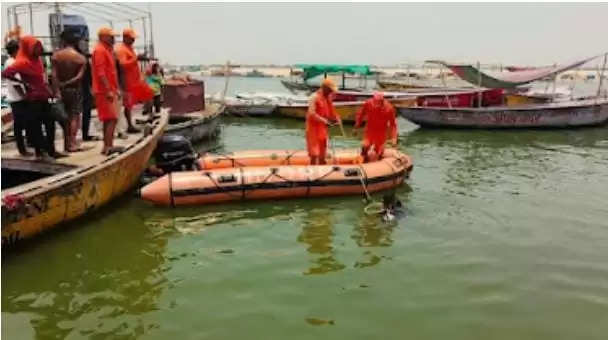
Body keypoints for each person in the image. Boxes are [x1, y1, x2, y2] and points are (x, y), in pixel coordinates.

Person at [2, 35, 62, 161]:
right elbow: (6, 74)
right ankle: (40, 153)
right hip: (33, 99)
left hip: (45, 96)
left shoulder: (38, 60)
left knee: (50, 124)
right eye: (36, 47)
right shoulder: (22, 62)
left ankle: (51, 150)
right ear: (29, 47)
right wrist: (24, 83)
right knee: (36, 127)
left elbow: (43, 79)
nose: (39, 49)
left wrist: (51, 92)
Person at [51, 29, 86, 152]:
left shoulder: (56, 56)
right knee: (74, 117)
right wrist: (68, 83)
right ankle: (71, 143)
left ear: (63, 40)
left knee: (64, 119)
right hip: (74, 90)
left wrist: (57, 90)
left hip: (60, 90)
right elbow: (79, 77)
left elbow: (54, 75)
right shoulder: (80, 58)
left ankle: (66, 144)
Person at [115, 28, 153, 133]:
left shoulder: (129, 48)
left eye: (134, 38)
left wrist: (138, 58)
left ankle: (150, 117)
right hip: (127, 81)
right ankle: (130, 126)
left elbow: (132, 61)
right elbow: (122, 64)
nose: (133, 40)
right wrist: (136, 58)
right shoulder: (121, 49)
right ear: (125, 38)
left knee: (149, 94)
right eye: (131, 38)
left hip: (136, 80)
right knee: (128, 104)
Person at [91, 27, 122, 155]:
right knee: (112, 118)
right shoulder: (99, 50)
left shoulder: (107, 50)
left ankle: (107, 146)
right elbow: (100, 73)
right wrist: (108, 90)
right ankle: (108, 146)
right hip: (104, 91)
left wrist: (116, 89)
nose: (113, 39)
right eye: (111, 36)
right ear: (103, 37)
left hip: (110, 89)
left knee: (109, 119)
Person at [4, 39, 32, 156]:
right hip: (18, 98)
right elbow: (16, 83)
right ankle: (23, 149)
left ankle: (24, 147)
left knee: (20, 124)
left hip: (16, 98)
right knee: (20, 125)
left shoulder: (11, 61)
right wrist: (25, 96)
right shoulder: (11, 63)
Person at [353, 91, 397, 162]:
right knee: (365, 147)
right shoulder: (368, 103)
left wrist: (394, 138)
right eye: (375, 101)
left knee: (379, 153)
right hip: (370, 131)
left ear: (382, 101)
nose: (376, 104)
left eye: (378, 102)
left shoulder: (389, 108)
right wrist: (356, 127)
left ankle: (379, 161)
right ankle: (364, 161)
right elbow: (361, 115)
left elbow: (393, 125)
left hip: (381, 134)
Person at [305, 78, 341, 165]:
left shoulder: (327, 99)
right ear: (324, 88)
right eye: (330, 90)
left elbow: (331, 113)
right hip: (313, 130)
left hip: (323, 130)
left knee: (322, 153)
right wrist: (325, 121)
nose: (331, 92)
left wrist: (336, 119)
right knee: (314, 154)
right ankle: (313, 172)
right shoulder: (314, 97)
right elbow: (312, 113)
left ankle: (322, 168)